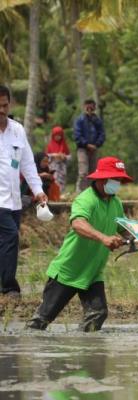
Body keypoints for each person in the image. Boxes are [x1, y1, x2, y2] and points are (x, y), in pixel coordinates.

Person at [26, 156, 133, 331]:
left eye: (120, 179)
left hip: (92, 271)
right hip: (69, 270)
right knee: (41, 321)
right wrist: (104, 238)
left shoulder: (116, 202)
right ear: (102, 179)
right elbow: (78, 224)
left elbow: (124, 228)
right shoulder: (86, 199)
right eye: (115, 179)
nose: (118, 183)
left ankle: (84, 352)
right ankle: (27, 349)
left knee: (98, 313)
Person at [0, 84, 47, 299]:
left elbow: (27, 164)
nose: (1, 110)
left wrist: (38, 190)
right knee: (10, 237)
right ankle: (10, 287)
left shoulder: (17, 130)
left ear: (9, 105)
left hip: (14, 201)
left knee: (6, 242)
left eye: (4, 105)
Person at [74, 99, 105, 192]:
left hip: (94, 149)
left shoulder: (97, 120)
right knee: (83, 172)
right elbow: (77, 135)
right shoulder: (79, 120)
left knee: (93, 172)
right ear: (84, 107)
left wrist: (96, 144)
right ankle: (80, 192)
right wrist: (86, 144)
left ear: (94, 107)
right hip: (82, 149)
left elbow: (102, 134)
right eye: (87, 107)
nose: (89, 109)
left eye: (91, 107)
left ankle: (92, 192)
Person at [46, 125, 71, 194]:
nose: (58, 137)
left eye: (59, 135)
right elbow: (46, 156)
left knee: (62, 181)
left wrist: (64, 156)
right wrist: (54, 155)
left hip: (62, 168)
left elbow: (69, 156)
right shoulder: (50, 145)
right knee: (54, 180)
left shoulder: (64, 145)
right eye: (56, 135)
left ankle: (61, 194)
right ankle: (54, 194)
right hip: (53, 167)